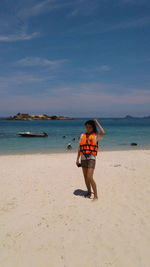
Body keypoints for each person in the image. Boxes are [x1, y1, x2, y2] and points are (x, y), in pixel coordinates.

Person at [76, 119, 105, 201]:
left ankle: (95, 196)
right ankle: (89, 192)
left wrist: (97, 122)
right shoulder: (82, 135)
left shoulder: (96, 136)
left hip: (91, 158)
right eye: (86, 127)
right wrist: (77, 159)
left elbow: (103, 132)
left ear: (93, 127)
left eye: (89, 127)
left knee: (89, 177)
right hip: (83, 158)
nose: (88, 129)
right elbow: (79, 148)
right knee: (85, 177)